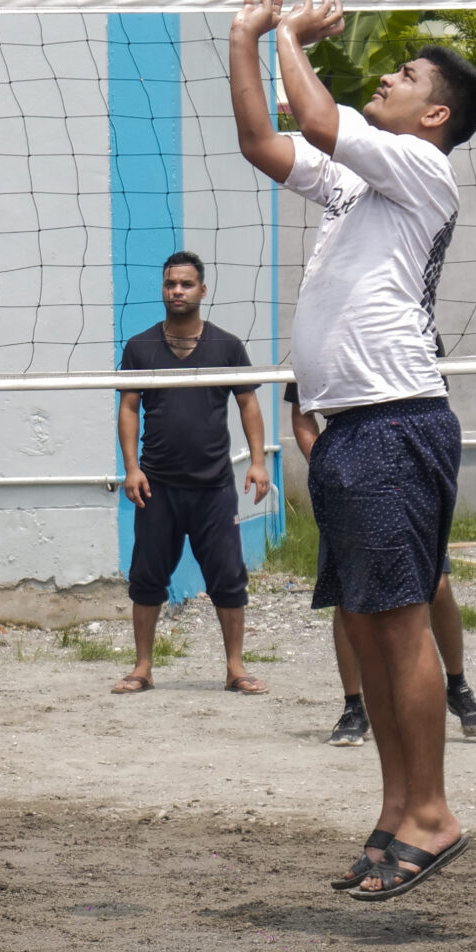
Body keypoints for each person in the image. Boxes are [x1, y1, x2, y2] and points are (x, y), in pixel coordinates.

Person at [230, 0, 476, 901]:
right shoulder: (357, 184)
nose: (386, 77)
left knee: (401, 623)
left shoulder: (420, 168)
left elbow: (315, 116)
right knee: (366, 629)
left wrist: (291, 35)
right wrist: (245, 36)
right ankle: (394, 810)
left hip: (396, 418)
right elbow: (262, 141)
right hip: (348, 428)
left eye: (405, 75)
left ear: (435, 114)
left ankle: (434, 814)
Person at [285, 382, 476, 744]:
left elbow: (435, 399)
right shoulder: (322, 347)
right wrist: (331, 468)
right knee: (349, 595)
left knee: (436, 584)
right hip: (350, 478)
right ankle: (353, 706)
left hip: (405, 472)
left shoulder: (409, 345)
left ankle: (457, 686)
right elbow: (301, 413)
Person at [114, 250, 271, 695]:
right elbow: (128, 408)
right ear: (162, 290)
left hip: (213, 487)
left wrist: (258, 461)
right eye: (170, 284)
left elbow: (248, 403)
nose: (177, 291)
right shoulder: (140, 347)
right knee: (147, 577)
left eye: (185, 284)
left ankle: (235, 668)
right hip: (157, 485)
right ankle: (142, 667)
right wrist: (131, 468)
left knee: (228, 578)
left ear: (202, 290)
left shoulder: (226, 346)